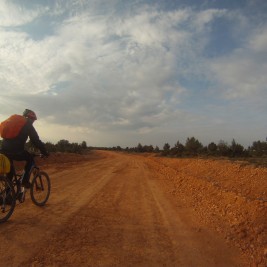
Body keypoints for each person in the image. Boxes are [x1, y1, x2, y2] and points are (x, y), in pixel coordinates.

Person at [0, 109, 49, 188]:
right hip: (16, 151)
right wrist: (44, 152)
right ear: (30, 118)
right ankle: (25, 181)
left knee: (10, 171)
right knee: (30, 159)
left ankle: (8, 196)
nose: (33, 122)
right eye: (33, 120)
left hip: (3, 149)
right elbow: (36, 140)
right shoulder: (28, 124)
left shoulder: (15, 122)